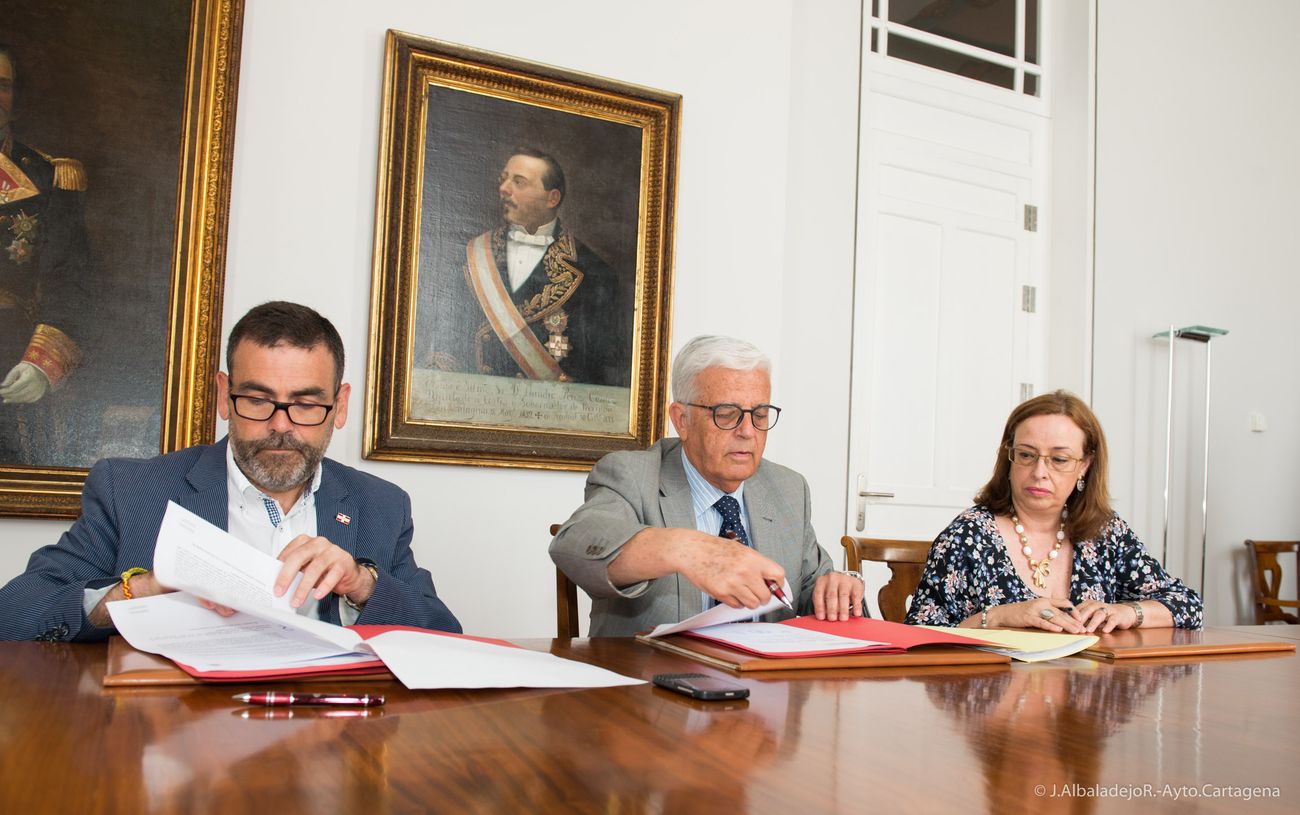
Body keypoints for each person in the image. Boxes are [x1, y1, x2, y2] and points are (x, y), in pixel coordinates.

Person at [0, 301, 461, 641]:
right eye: (258, 400)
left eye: (305, 403)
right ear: (224, 395)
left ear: (339, 406)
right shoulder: (130, 489)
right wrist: (140, 590)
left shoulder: (380, 504)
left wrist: (359, 585)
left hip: (328, 744)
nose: (280, 426)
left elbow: (444, 635)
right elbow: (14, 616)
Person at [550, 335, 864, 636]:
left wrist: (837, 587)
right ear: (682, 419)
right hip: (652, 681)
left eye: (759, 414)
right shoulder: (633, 476)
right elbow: (574, 545)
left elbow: (813, 585)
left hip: (760, 686)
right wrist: (688, 549)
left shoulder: (787, 488)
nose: (747, 431)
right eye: (727, 414)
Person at [905, 390, 1202, 632]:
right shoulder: (966, 536)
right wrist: (996, 617)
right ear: (1008, 458)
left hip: (1086, 698)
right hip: (995, 699)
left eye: (1059, 459)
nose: (1039, 472)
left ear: (1084, 465)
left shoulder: (1106, 533)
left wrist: (1128, 612)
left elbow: (1187, 604)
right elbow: (918, 639)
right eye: (1026, 455)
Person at [427, 147, 633, 386]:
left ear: (552, 198)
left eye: (519, 182)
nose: (504, 189)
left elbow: (606, 374)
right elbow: (444, 346)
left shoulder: (595, 274)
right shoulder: (468, 258)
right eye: (503, 180)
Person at [0, 44, 95, 463]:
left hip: (9, 356)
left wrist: (42, 364)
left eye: (2, 85)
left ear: (15, 97)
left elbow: (70, 278)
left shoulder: (49, 175)